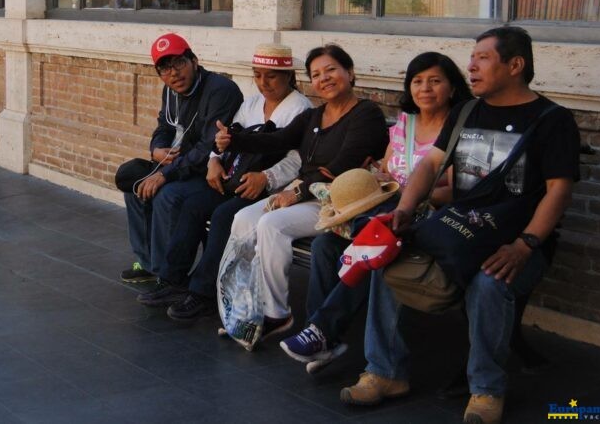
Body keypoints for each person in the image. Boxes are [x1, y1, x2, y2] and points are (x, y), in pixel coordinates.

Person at [340, 27, 580, 424]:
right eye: (472, 57)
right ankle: (384, 372)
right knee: (387, 259)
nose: (471, 65)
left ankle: (486, 390)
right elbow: (432, 164)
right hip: (458, 229)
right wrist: (406, 207)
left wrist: (524, 246)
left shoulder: (552, 121)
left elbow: (558, 191)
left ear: (515, 65)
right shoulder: (467, 112)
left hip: (514, 241)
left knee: (489, 281)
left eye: (483, 57)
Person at [281, 52, 471, 369]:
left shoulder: (459, 130)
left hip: (425, 216)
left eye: (435, 81)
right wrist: (378, 177)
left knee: (374, 251)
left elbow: (455, 190)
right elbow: (385, 168)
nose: (425, 88)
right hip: (383, 215)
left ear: (452, 88)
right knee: (326, 246)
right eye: (418, 81)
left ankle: (322, 332)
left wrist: (411, 195)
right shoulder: (405, 125)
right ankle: (321, 334)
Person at [213, 44, 389, 342]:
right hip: (305, 195)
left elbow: (344, 164)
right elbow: (277, 140)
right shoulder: (314, 116)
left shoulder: (366, 114)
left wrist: (297, 192)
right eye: (317, 74)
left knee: (271, 225)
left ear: (350, 72)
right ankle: (248, 307)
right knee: (243, 218)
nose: (325, 78)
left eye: (331, 70)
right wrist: (232, 140)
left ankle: (276, 315)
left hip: (339, 201)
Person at [162, 44, 312, 320]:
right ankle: (173, 280)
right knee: (193, 204)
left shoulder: (301, 109)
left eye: (272, 76)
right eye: (257, 75)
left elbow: (297, 159)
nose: (263, 83)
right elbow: (227, 136)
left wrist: (266, 178)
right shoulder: (252, 104)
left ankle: (204, 293)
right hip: (235, 179)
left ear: (289, 76)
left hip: (269, 188)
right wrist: (214, 160)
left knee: (222, 216)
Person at [114, 33, 243, 289]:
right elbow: (164, 124)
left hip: (212, 171)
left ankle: (168, 276)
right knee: (135, 185)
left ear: (194, 61)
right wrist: (156, 150)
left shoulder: (220, 90)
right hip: (177, 163)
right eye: (164, 68)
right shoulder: (170, 90)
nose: (173, 74)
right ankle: (149, 263)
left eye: (178, 64)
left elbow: (209, 147)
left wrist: (165, 175)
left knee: (166, 195)